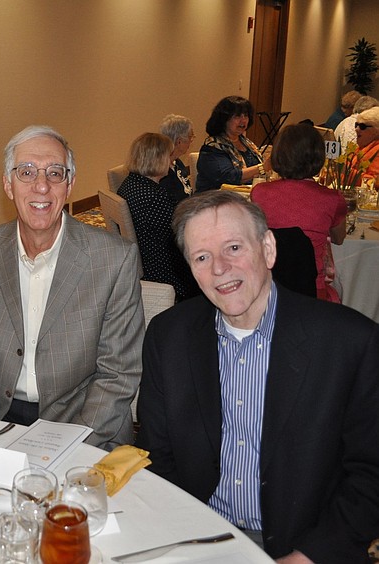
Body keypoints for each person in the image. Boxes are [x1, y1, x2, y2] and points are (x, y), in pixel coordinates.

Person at [136, 190, 379, 563]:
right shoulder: (168, 337)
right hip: (196, 534)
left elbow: (370, 474)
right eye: (202, 256)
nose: (219, 268)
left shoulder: (350, 342)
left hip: (305, 545)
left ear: (268, 248)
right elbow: (158, 456)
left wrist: (306, 556)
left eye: (233, 248)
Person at [0, 125, 145, 449]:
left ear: (69, 185)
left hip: (83, 426)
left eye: (55, 173)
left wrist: (66, 447)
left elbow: (118, 375)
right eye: (26, 172)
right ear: (8, 185)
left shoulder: (113, 258)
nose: (41, 186)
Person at [251, 124, 347, 301]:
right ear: (319, 156)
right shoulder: (332, 198)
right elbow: (339, 239)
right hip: (310, 290)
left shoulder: (259, 193)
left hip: (266, 287)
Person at [118, 132, 199, 301]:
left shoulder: (131, 183)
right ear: (156, 159)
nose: (172, 161)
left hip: (148, 254)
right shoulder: (153, 196)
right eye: (168, 156)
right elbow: (177, 235)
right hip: (163, 268)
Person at [196, 96, 270, 192]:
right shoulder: (212, 147)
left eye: (246, 116)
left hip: (246, 197)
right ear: (224, 119)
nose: (243, 120)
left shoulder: (248, 144)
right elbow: (228, 177)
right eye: (238, 116)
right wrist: (262, 167)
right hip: (216, 200)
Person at [158, 114, 195, 204]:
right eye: (191, 137)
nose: (191, 140)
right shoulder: (161, 170)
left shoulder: (177, 162)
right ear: (179, 141)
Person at [354, 106, 379, 181]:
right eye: (356, 125)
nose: (356, 129)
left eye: (362, 126)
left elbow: (374, 181)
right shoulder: (360, 147)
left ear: (376, 131)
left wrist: (348, 174)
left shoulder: (377, 152)